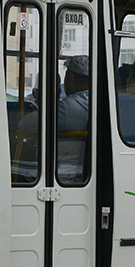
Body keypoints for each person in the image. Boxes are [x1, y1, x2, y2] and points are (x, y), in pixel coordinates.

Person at [56, 55, 91, 183]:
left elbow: (24, 125)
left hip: (62, 175)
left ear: (70, 78)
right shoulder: (105, 104)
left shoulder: (66, 108)